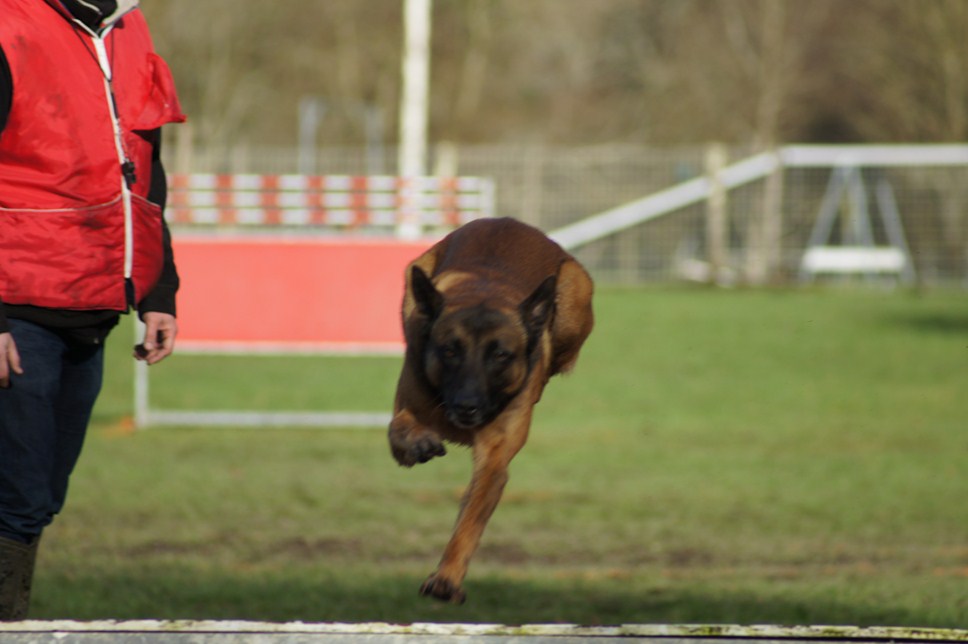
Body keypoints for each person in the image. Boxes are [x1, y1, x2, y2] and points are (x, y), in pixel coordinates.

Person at [0, 0, 185, 619]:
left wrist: (160, 290)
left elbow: (147, 166)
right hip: (16, 304)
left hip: (95, 302)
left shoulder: (130, 27)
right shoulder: (10, 22)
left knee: (43, 494)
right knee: (18, 498)